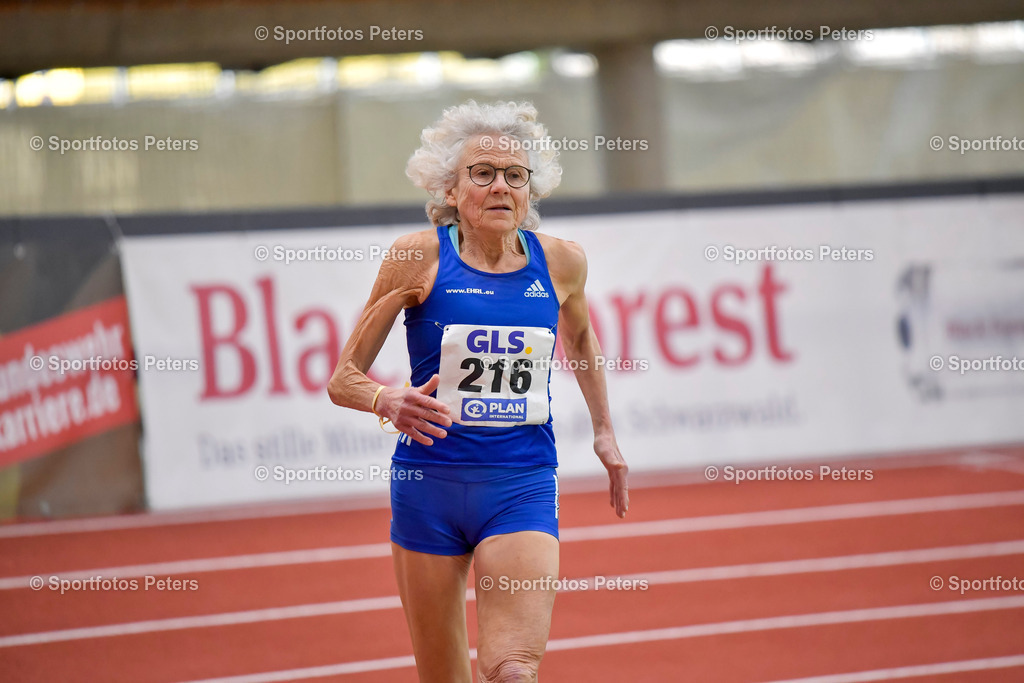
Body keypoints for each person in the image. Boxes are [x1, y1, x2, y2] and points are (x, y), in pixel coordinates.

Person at [328, 100, 629, 683]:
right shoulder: (419, 257)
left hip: (521, 482)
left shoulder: (562, 263)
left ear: (531, 190)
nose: (500, 188)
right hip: (427, 487)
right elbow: (344, 378)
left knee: (513, 670)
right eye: (482, 173)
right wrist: (386, 399)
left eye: (515, 176)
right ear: (449, 187)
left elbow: (583, 337)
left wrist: (604, 430)